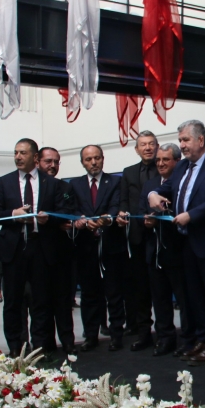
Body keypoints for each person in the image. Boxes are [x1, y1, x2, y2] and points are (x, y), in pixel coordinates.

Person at [148, 120, 205, 366]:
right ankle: (202, 339)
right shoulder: (182, 166)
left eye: (185, 140)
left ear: (201, 140)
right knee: (195, 297)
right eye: (180, 140)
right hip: (186, 243)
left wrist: (191, 215)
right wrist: (153, 194)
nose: (182, 145)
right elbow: (167, 189)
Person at [0, 139, 67, 356]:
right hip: (14, 248)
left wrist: (48, 219)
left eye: (22, 153)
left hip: (41, 247)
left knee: (41, 300)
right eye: (16, 152)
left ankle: (40, 348)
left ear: (34, 157)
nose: (17, 157)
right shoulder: (5, 181)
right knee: (13, 302)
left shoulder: (51, 183)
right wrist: (12, 214)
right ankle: (16, 347)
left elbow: (62, 213)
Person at [70, 145, 128, 352]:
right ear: (82, 162)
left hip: (111, 246)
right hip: (85, 248)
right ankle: (91, 336)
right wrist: (80, 219)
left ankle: (116, 335)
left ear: (103, 159)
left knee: (114, 294)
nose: (93, 162)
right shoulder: (75, 184)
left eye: (96, 158)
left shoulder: (115, 181)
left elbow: (116, 205)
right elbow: (71, 209)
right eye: (88, 159)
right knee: (89, 295)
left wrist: (107, 218)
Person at [141, 143, 190, 357]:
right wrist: (147, 221)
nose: (160, 163)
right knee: (160, 300)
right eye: (158, 160)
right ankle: (165, 338)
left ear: (177, 162)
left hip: (178, 250)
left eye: (165, 160)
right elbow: (141, 210)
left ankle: (188, 339)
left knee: (184, 300)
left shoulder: (183, 182)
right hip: (154, 252)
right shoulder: (150, 185)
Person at [120, 131, 159, 351]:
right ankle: (144, 334)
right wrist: (121, 212)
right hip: (136, 238)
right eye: (143, 144)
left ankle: (165, 334)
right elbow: (124, 200)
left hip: (161, 236)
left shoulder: (165, 168)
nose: (147, 148)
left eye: (151, 144)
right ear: (137, 149)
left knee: (161, 288)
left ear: (157, 146)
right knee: (140, 290)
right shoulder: (128, 172)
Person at [38, 147, 77, 355]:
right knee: (41, 302)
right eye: (48, 161)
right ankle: (45, 344)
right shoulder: (32, 187)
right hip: (37, 253)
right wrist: (55, 221)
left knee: (63, 300)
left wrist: (51, 219)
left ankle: (68, 342)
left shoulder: (65, 187)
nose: (52, 166)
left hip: (61, 251)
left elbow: (67, 213)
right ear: (37, 162)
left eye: (56, 162)